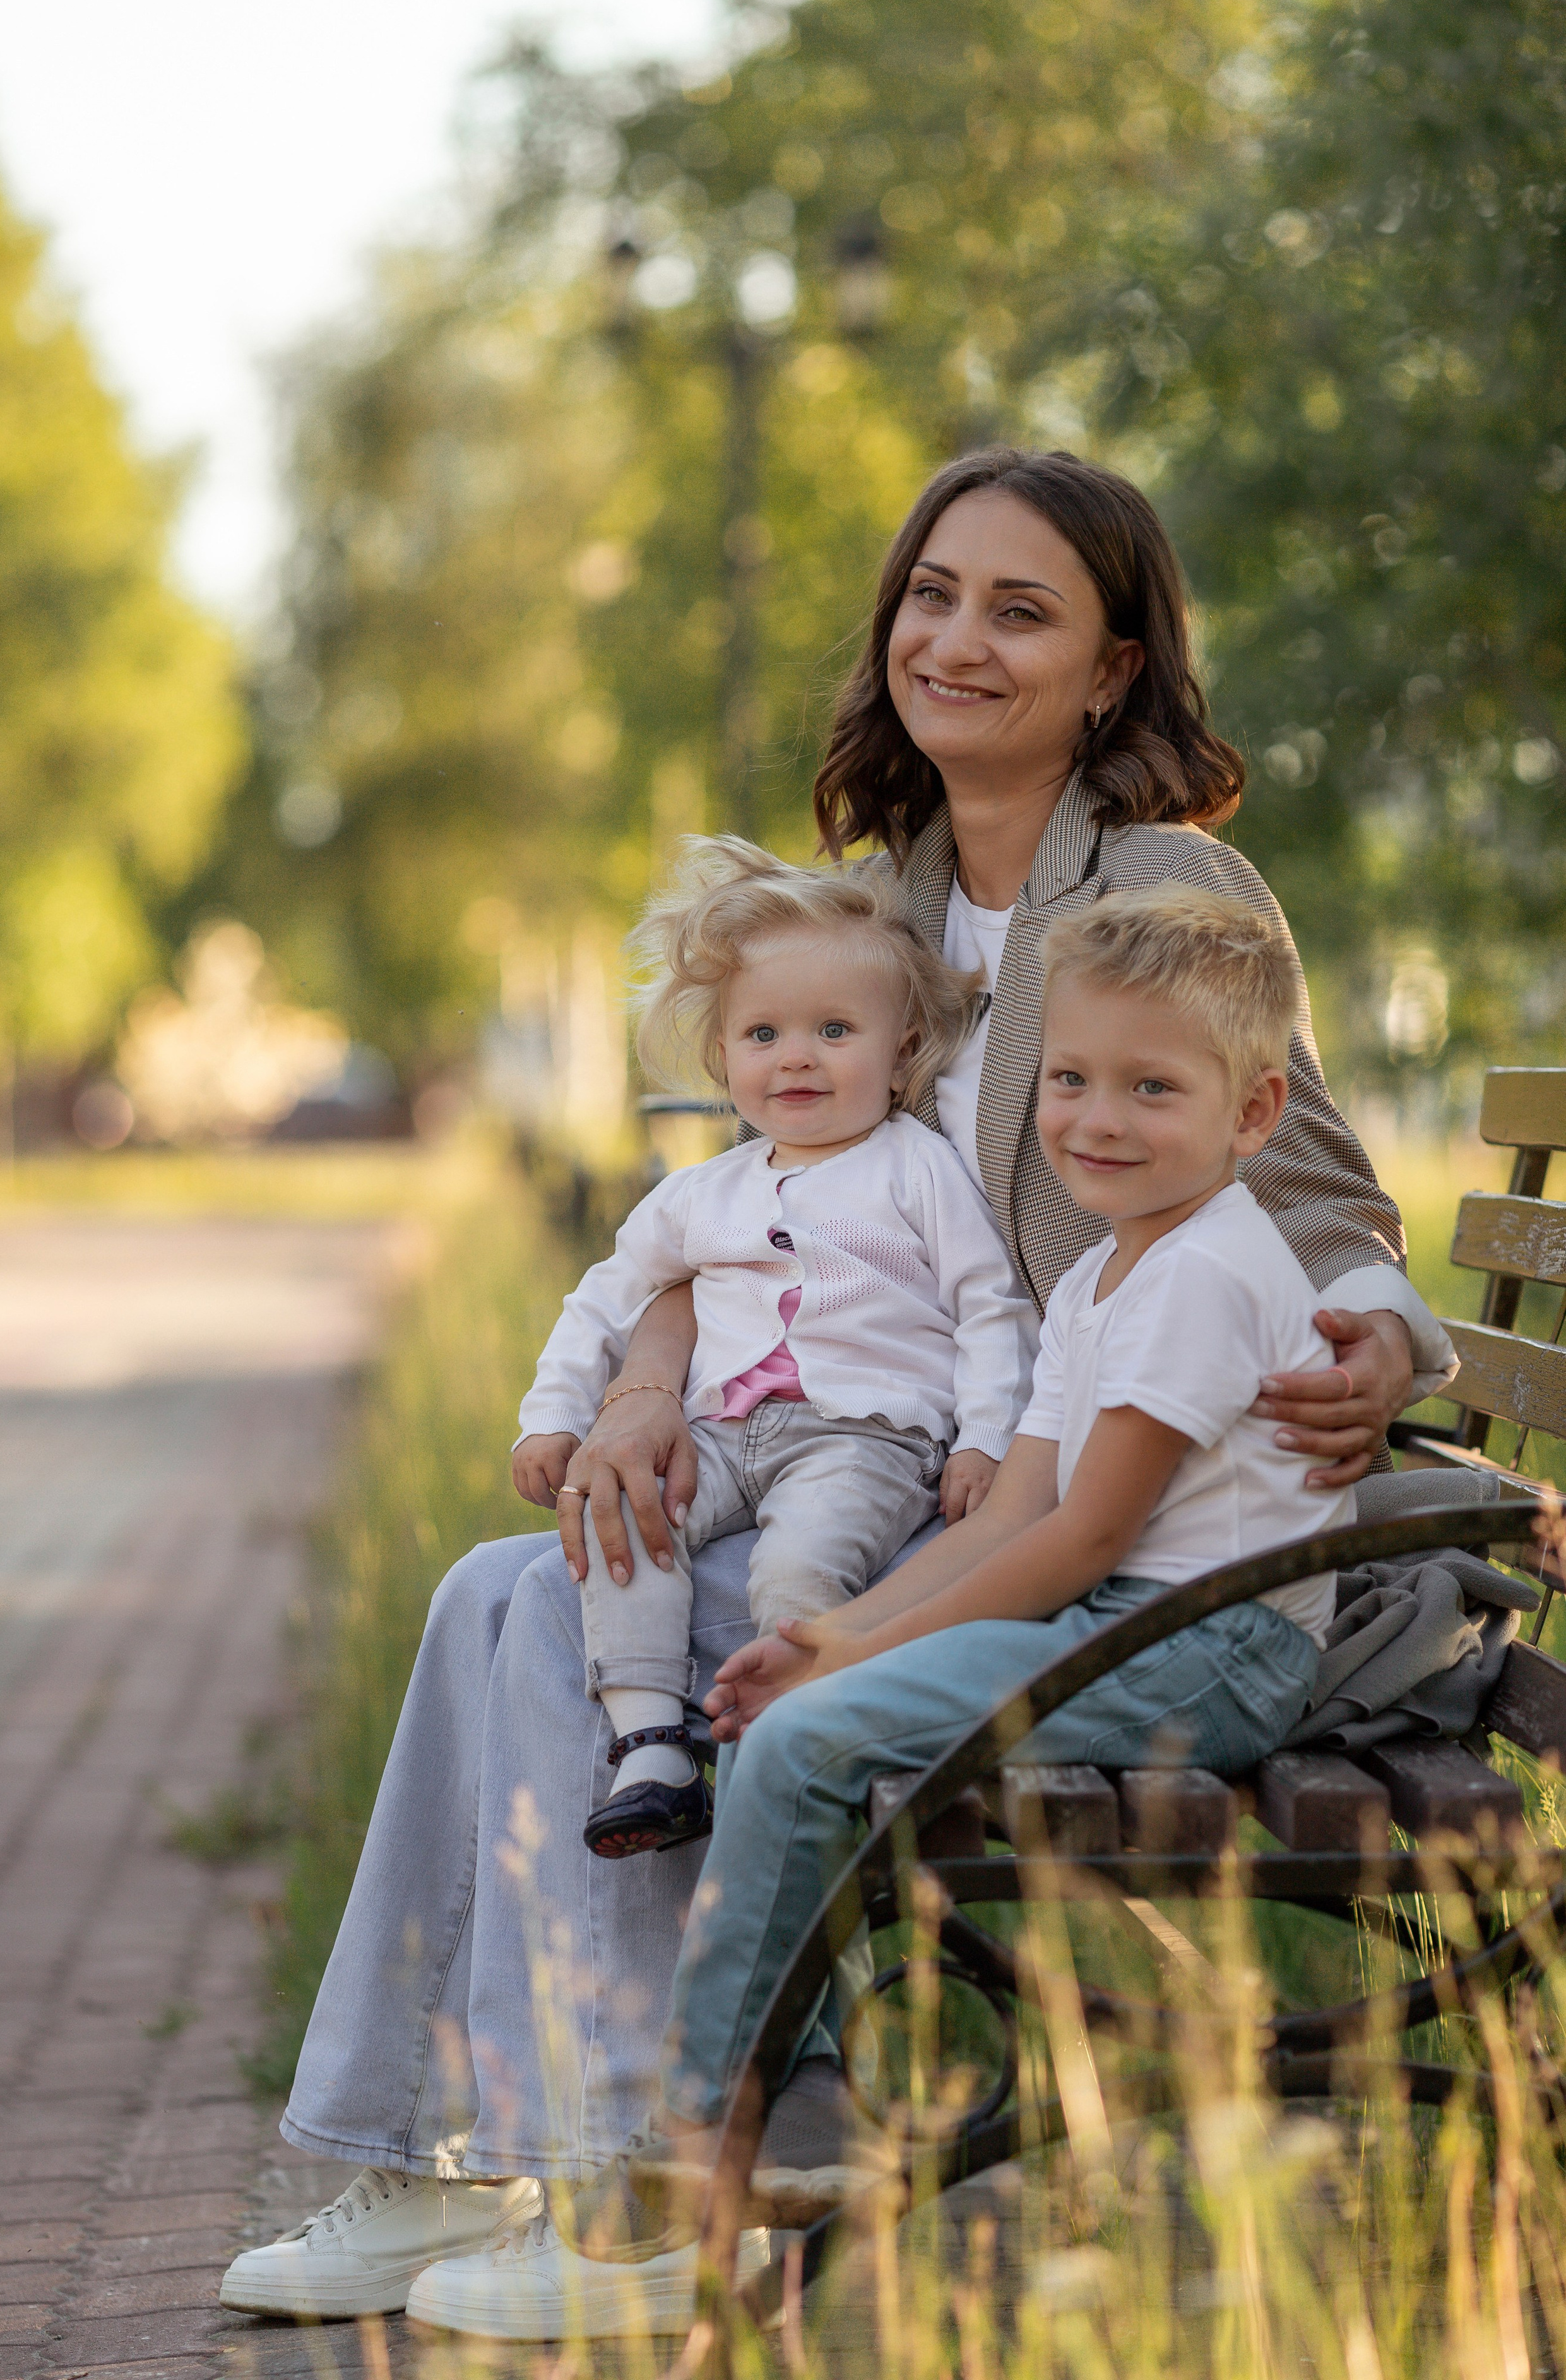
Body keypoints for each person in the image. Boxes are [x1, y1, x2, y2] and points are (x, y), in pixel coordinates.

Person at [220, 448, 1453, 2327]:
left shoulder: (1162, 883)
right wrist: (647, 1369)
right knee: (500, 1582)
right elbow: (756, 1207)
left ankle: (636, 2192)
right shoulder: (881, 896)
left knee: (548, 1623)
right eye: (932, 594)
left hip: (1036, 1494)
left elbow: (1319, 1183)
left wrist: (1372, 1334)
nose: (956, 639)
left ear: (1117, 672)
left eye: (1021, 610)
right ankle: (419, 2162)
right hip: (905, 1465)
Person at [512, 881, 1459, 2312]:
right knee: (791, 1708)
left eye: (1151, 1087)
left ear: (1252, 1114)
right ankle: (757, 2113)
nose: (1095, 1119)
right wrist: (834, 1634)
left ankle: (710, 2124)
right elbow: (1009, 1508)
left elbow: (1078, 1540)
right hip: (1129, 1624)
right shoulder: (1098, 1275)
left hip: (1213, 1647)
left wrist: (860, 1659)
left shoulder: (1203, 1272)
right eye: (1070, 1081)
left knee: (807, 1738)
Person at [518, 838, 1036, 1859]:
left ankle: (782, 1761)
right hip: (720, 1435)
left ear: (903, 1048)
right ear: (723, 1061)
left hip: (865, 1438)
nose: (796, 1055)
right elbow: (604, 1301)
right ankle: (653, 1746)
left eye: (835, 1030)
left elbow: (992, 1308)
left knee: (799, 1566)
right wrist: (555, 1413)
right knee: (631, 1517)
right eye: (763, 1033)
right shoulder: (703, 1192)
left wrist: (984, 1439)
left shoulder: (918, 1171)